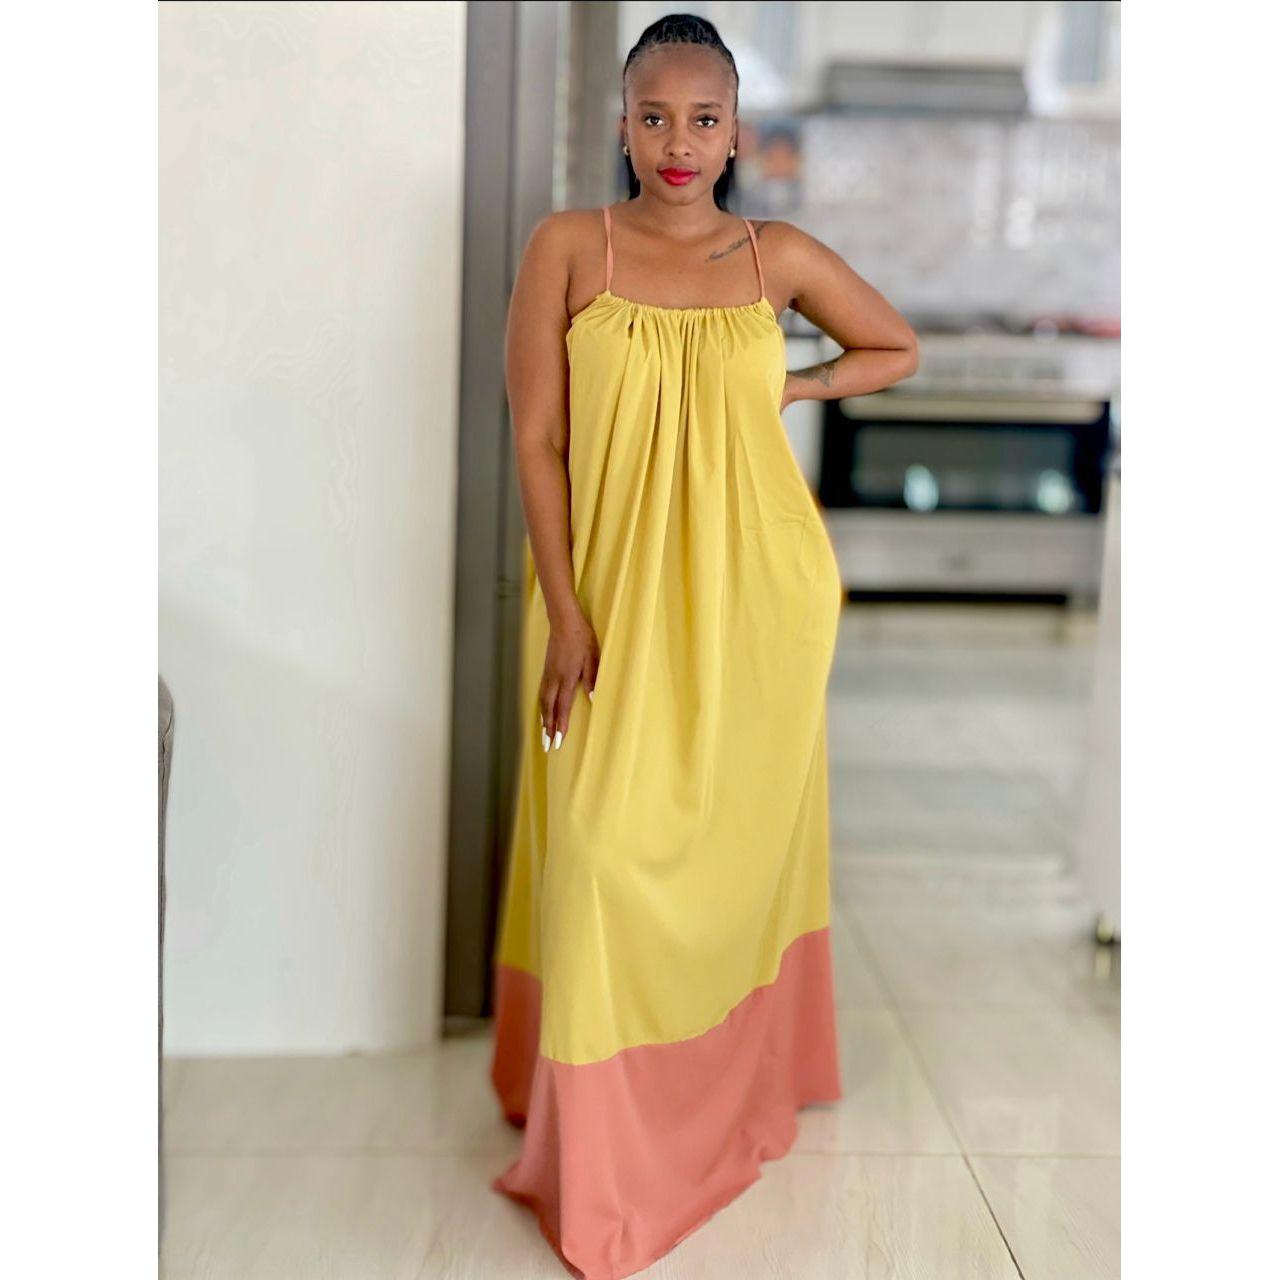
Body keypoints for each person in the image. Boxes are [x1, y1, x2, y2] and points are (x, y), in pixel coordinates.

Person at [488, 13, 918, 1278]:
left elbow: (892, 345)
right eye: (655, 116)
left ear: (737, 133)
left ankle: (721, 1091)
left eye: (704, 118)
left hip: (754, 601)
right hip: (600, 600)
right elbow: (536, 441)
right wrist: (566, 610)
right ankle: (598, 1144)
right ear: (621, 126)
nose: (679, 141)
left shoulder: (774, 256)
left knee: (733, 850)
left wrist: (791, 384)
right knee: (601, 858)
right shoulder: (569, 245)